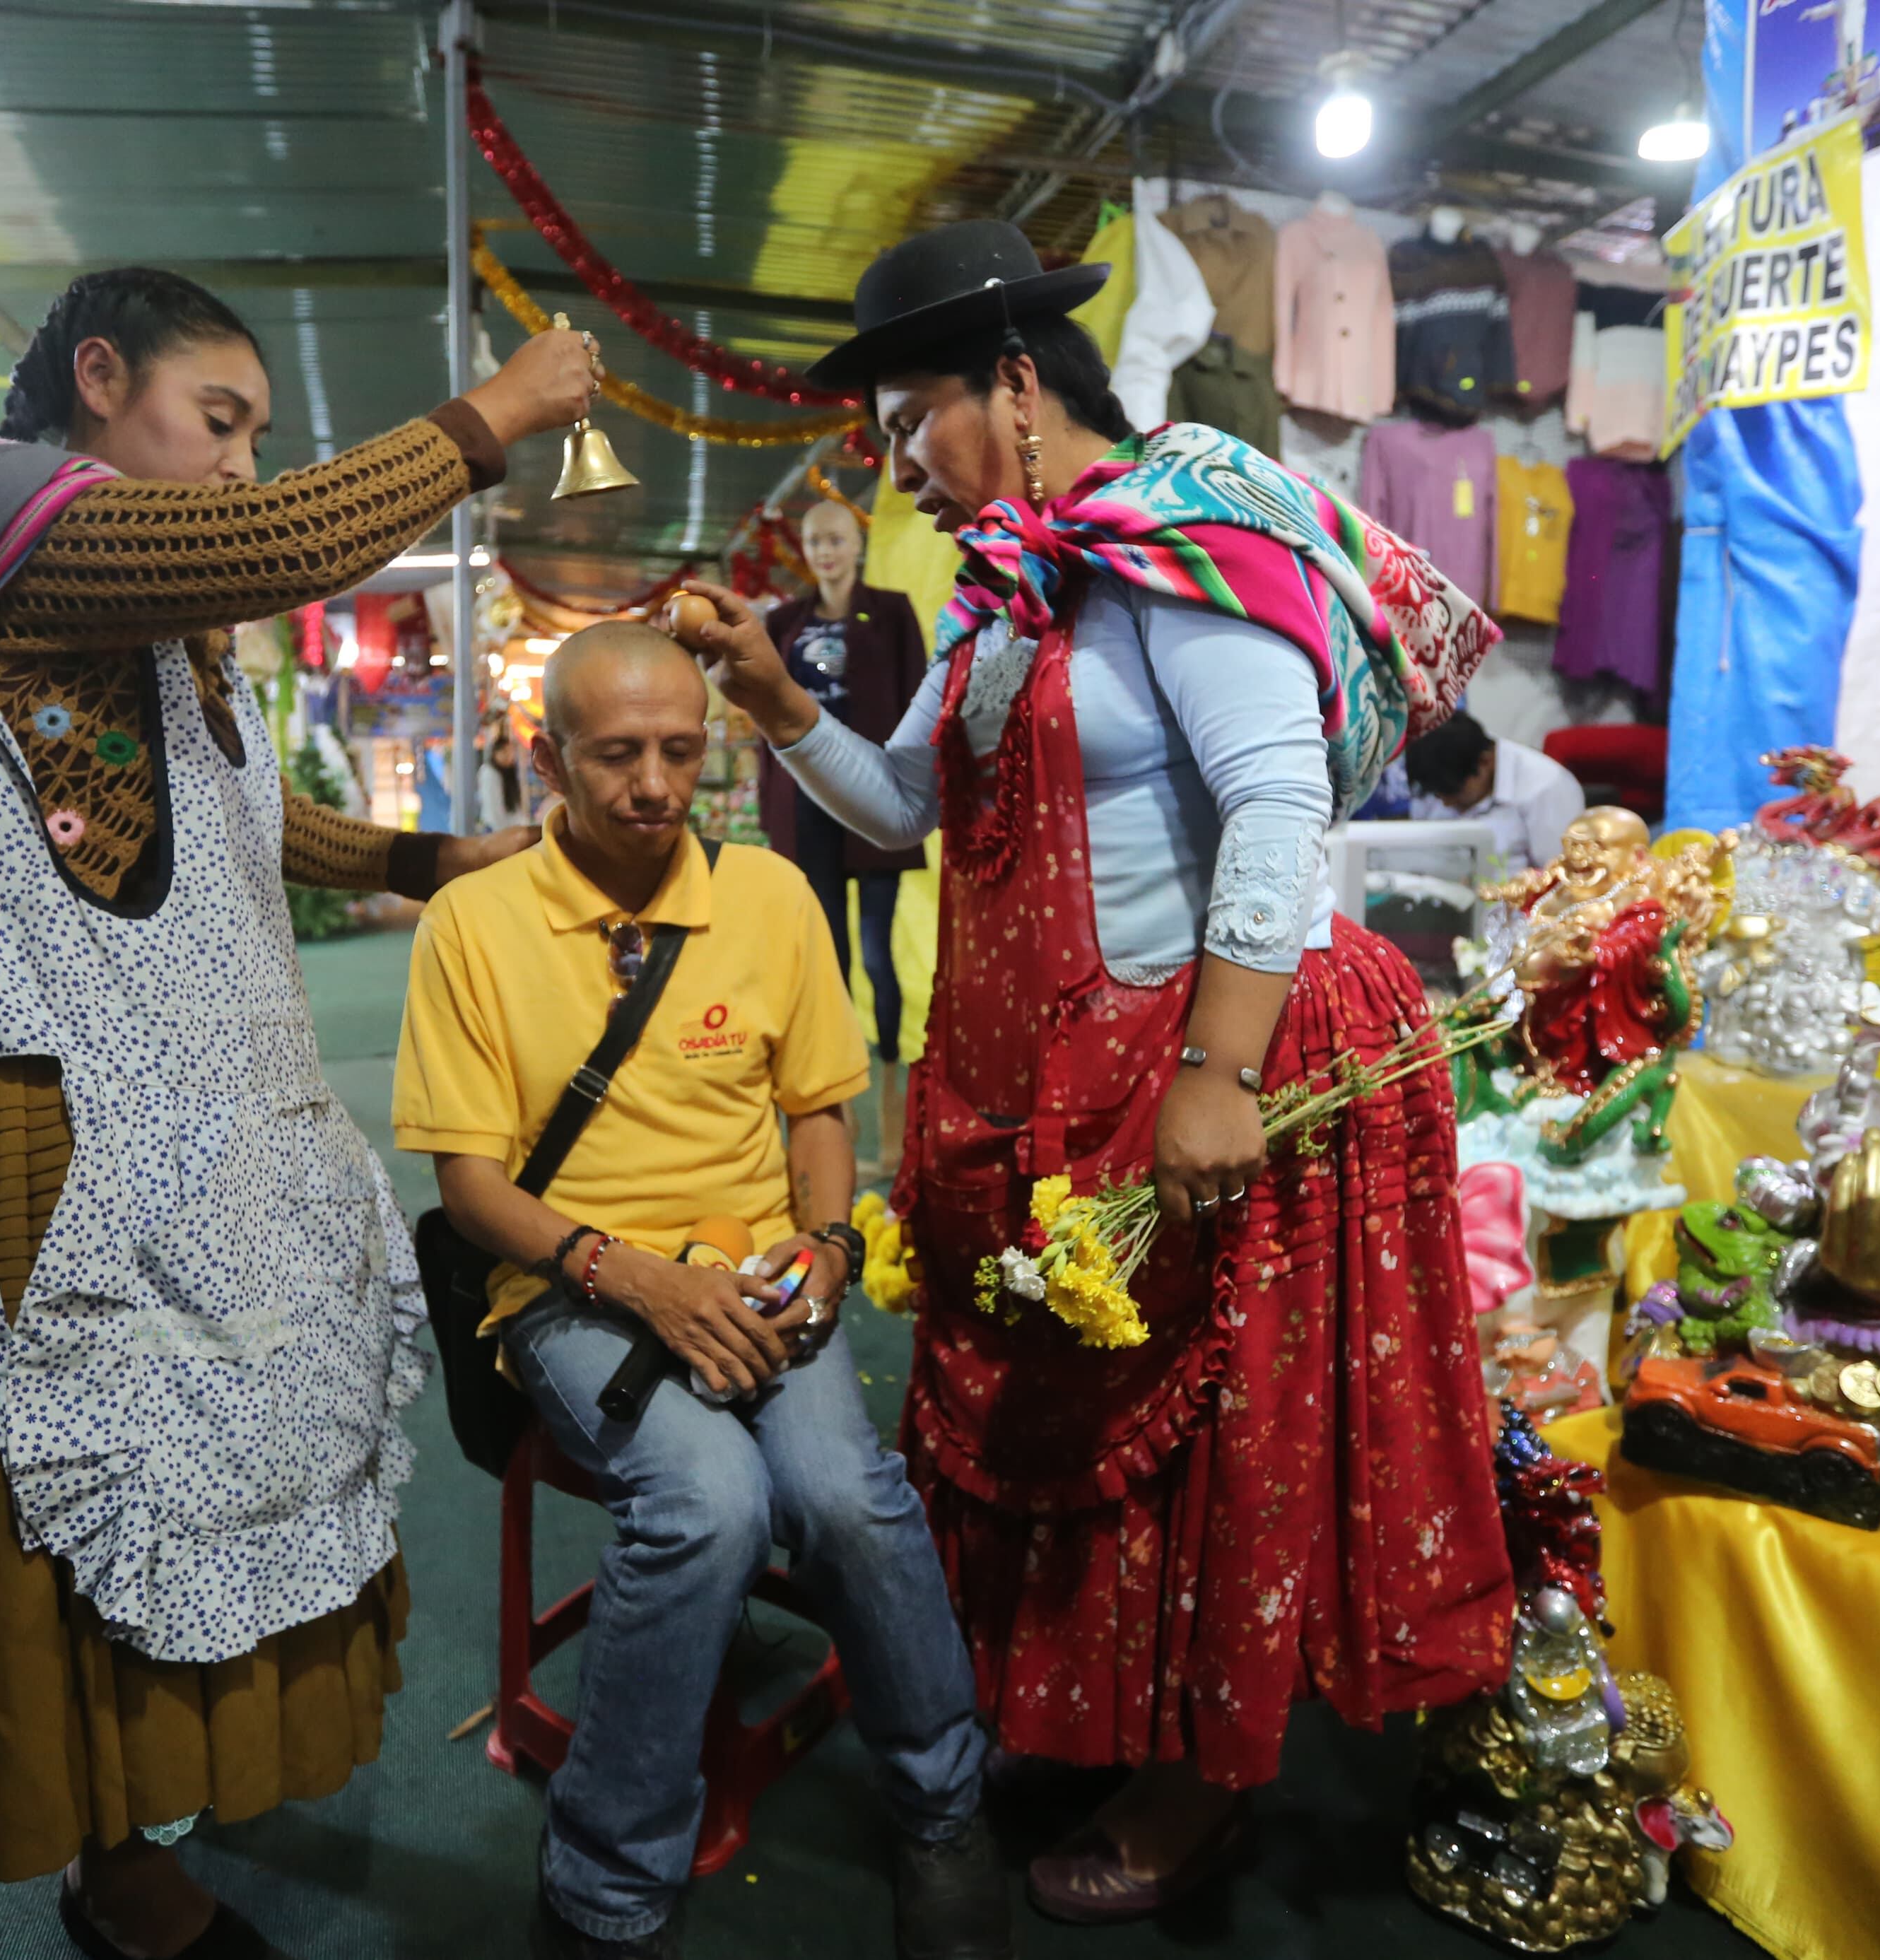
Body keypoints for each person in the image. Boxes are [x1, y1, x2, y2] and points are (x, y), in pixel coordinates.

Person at [0, 266, 591, 1959]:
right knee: (57, 1518)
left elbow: (230, 812)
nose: (244, 465)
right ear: (100, 375)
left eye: (260, 436)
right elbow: (275, 544)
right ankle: (109, 1869)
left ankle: (152, 1802)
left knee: (206, 1452)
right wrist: (490, 418)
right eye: (221, 419)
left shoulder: (154, 615)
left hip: (168, 1112)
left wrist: (432, 858)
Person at [669, 219, 1512, 1926]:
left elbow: (1276, 801)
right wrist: (772, 700)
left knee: (1216, 1446)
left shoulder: (1178, 541)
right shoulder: (999, 597)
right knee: (1078, 1427)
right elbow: (902, 808)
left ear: (1013, 382)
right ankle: (1103, 1720)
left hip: (1218, 1060)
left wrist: (1219, 1073)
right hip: (1058, 1084)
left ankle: (1203, 1786)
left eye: (909, 425)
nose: (898, 468)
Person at [394, 622, 1009, 1960]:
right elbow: (471, 1189)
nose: (654, 785)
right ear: (547, 759)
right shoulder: (475, 923)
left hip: (762, 1270)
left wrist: (828, 1247)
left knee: (848, 1498)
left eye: (681, 751)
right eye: (617, 755)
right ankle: (607, 1881)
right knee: (708, 1504)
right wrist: (642, 1280)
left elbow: (820, 1113)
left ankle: (943, 1807)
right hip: (571, 1281)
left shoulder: (772, 896)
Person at [759, 498, 928, 1063]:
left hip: (876, 793)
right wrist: (770, 803)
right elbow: (767, 716)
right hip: (808, 801)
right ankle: (840, 1064)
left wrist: (919, 789)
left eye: (835, 539)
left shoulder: (891, 612)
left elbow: (918, 701)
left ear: (857, 544)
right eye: (814, 541)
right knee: (828, 949)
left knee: (877, 951)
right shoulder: (784, 623)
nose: (825, 552)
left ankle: (890, 1064)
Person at [1402, 708, 1587, 874]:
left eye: (1454, 792)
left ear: (1485, 762)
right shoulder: (1434, 772)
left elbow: (1561, 878)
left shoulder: (1546, 787)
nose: (1446, 803)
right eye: (1437, 794)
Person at [476, 718, 531, 833]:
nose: (510, 756)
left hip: (511, 830)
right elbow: (494, 810)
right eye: (505, 752)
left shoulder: (509, 773)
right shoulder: (489, 773)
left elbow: (517, 808)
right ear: (495, 753)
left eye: (511, 752)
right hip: (498, 831)